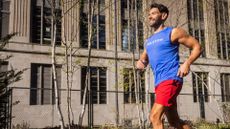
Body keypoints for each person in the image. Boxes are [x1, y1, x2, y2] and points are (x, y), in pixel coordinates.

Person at [136, 3, 202, 129]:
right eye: (149, 14)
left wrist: (186, 63)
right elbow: (143, 59)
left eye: (153, 13)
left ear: (164, 15)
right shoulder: (148, 41)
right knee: (174, 122)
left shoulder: (173, 32)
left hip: (171, 79)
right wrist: (141, 63)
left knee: (155, 117)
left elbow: (197, 47)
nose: (150, 16)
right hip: (159, 82)